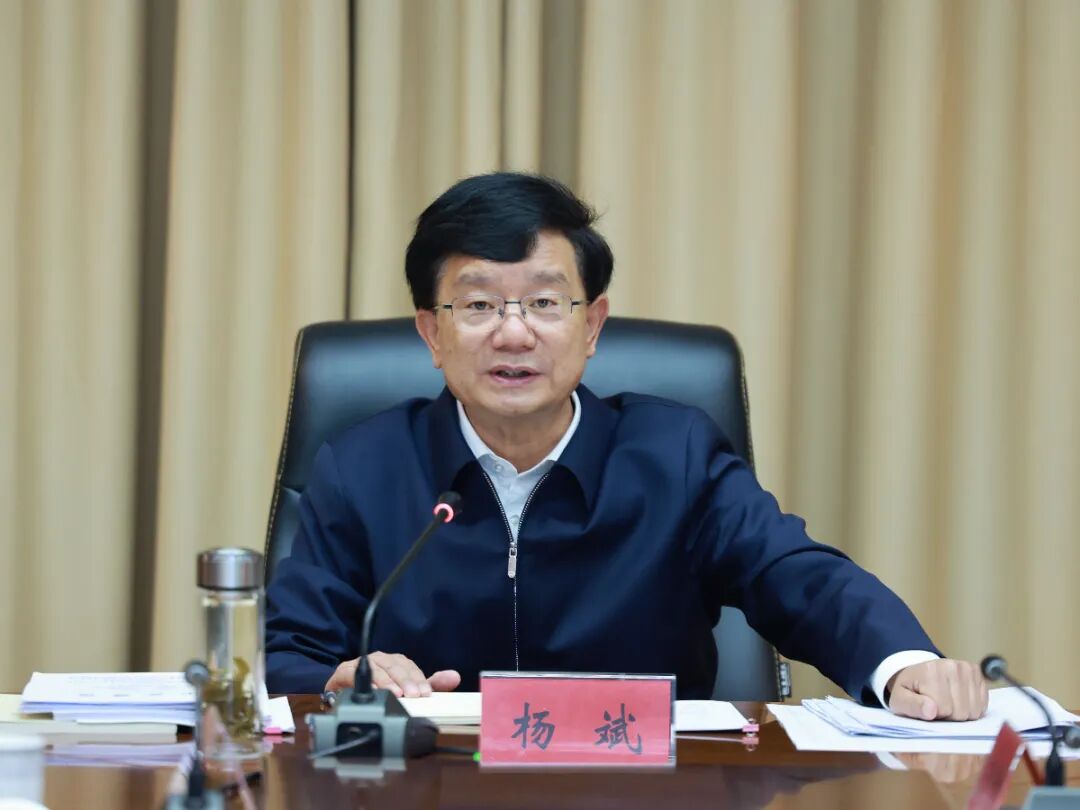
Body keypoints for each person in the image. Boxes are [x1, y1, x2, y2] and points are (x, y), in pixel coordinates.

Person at [266, 172, 988, 720]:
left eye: (545, 303)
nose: (513, 333)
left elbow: (794, 574)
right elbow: (287, 653)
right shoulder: (365, 467)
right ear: (431, 331)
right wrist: (338, 679)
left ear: (592, 326)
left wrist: (900, 664)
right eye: (479, 305)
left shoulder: (673, 455)